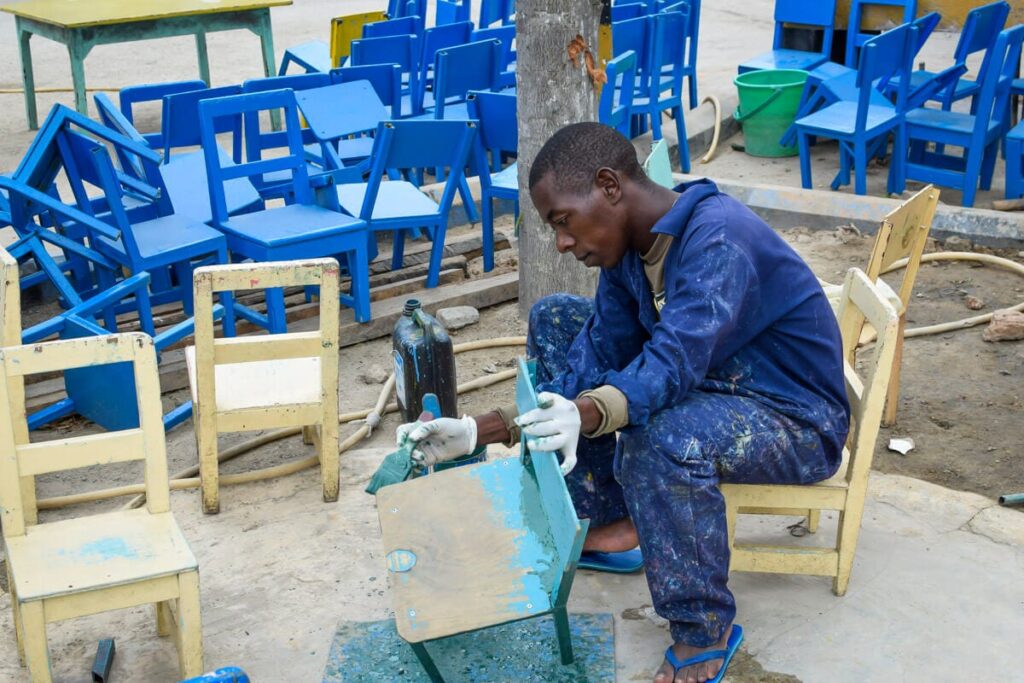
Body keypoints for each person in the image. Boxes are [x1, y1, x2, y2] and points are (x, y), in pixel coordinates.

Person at [397, 122, 850, 683]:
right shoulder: (629, 254)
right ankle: (615, 519)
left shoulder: (718, 240)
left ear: (610, 185)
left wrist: (585, 411)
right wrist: (480, 429)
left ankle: (702, 628)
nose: (562, 241)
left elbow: (672, 363)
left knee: (658, 437)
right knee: (559, 320)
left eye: (562, 221)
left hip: (792, 416)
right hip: (715, 384)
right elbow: (593, 358)